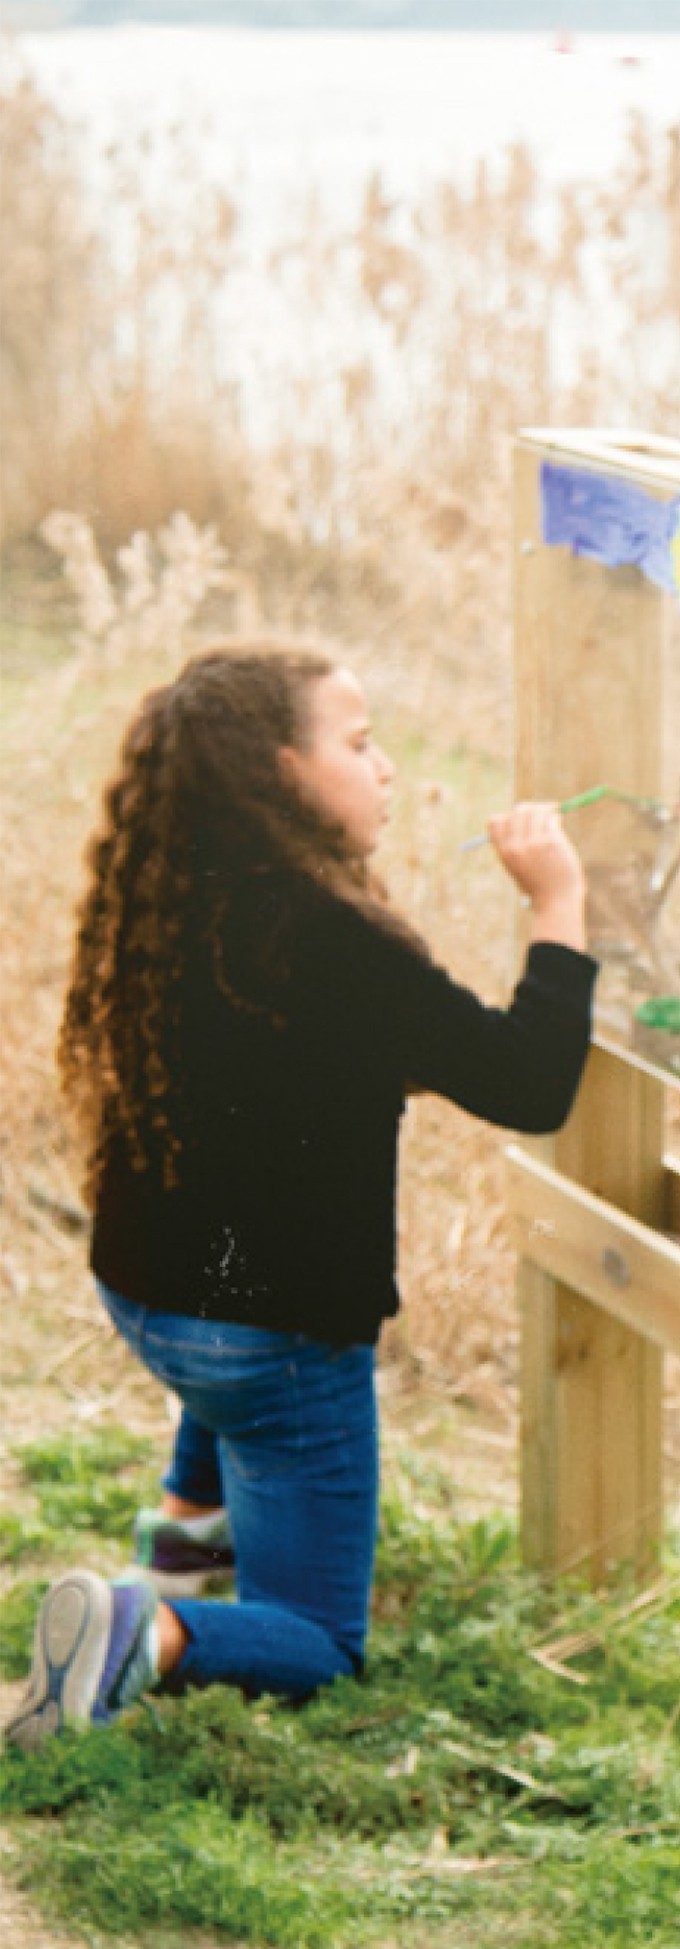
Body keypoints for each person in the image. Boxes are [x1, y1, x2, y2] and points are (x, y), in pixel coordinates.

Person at [9, 642, 598, 1749]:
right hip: (262, 1341)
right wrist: (558, 901)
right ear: (279, 770)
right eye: (360, 744)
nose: (387, 768)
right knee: (321, 1640)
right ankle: (147, 1632)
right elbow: (529, 1084)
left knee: (232, 1331)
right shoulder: (333, 939)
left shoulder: (171, 893)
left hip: (149, 1300)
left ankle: (177, 1549)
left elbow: (287, 1065)